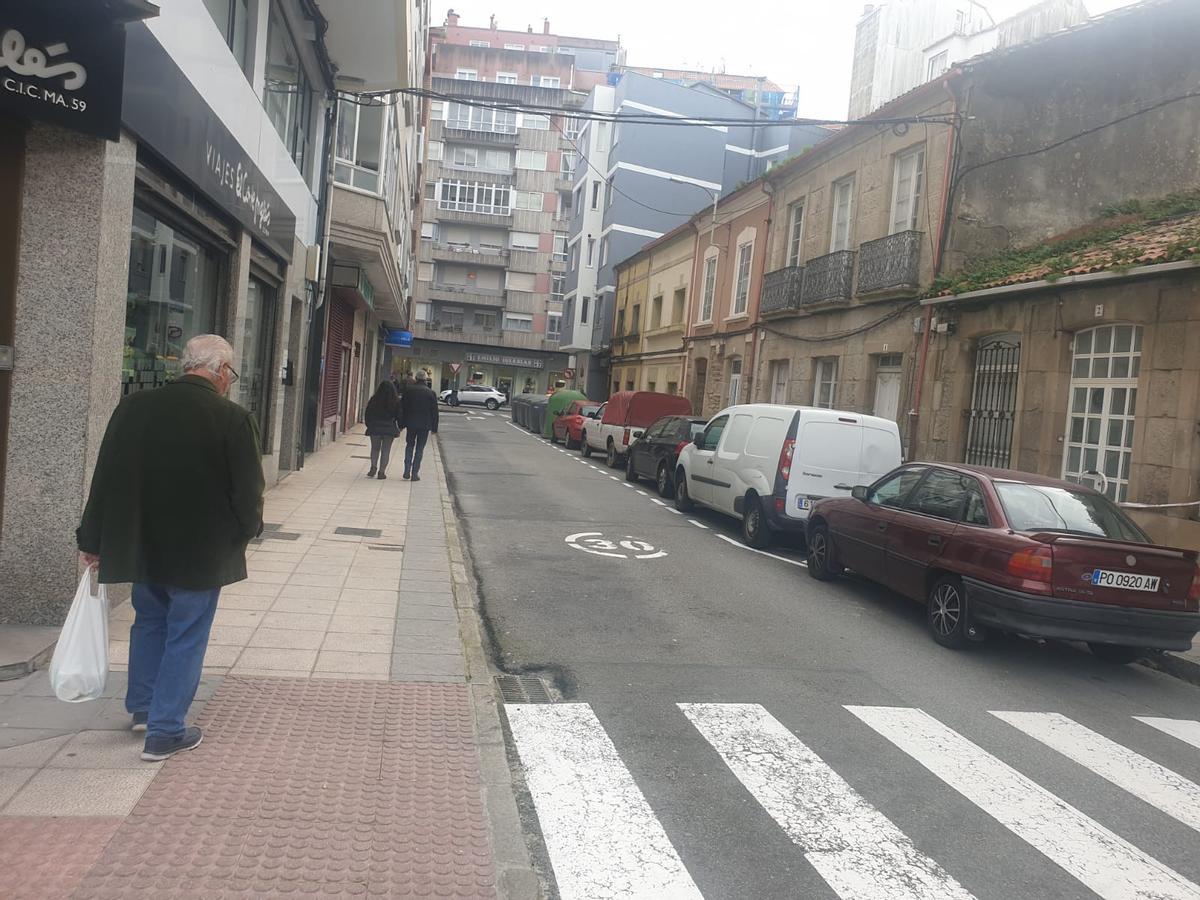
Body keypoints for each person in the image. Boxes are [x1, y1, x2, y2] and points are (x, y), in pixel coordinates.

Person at [76, 334, 264, 762]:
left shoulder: (134, 408)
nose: (228, 382)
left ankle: (143, 708)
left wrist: (92, 539)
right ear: (219, 371)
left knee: (150, 623)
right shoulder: (232, 418)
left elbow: (105, 477)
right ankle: (164, 731)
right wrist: (245, 531)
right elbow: (248, 493)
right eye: (229, 374)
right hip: (200, 551)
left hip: (145, 543)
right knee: (186, 633)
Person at [402, 369, 439, 481]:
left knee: (409, 445)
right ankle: (415, 473)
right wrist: (434, 428)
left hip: (411, 423)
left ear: (416, 379)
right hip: (425, 425)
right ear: (426, 380)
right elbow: (434, 412)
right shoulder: (431, 393)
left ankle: (407, 470)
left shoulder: (409, 390)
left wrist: (401, 423)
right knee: (419, 449)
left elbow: (403, 407)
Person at [364, 380, 403, 479]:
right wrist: (400, 427)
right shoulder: (395, 401)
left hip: (375, 427)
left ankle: (373, 467)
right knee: (386, 450)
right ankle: (381, 472)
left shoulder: (374, 399)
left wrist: (369, 424)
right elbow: (399, 415)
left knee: (375, 448)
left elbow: (368, 413)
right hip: (389, 429)